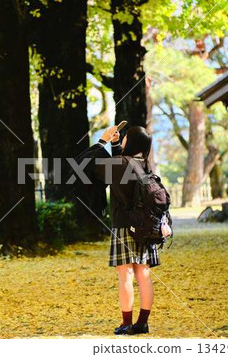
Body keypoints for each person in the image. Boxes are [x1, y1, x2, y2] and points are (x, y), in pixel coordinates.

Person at [76, 125, 159, 335]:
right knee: (143, 274)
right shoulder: (145, 165)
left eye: (124, 138)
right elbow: (124, 165)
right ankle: (142, 323)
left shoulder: (118, 165)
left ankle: (126, 323)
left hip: (124, 226)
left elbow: (81, 166)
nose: (122, 140)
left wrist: (102, 142)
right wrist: (114, 144)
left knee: (126, 275)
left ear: (129, 142)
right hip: (146, 226)